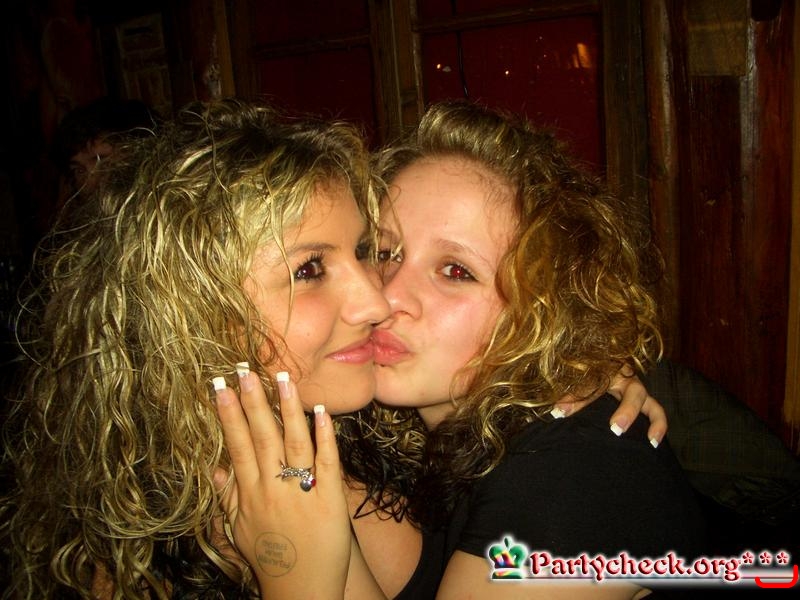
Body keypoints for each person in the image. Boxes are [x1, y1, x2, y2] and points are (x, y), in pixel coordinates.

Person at [215, 100, 706, 599]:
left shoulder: (579, 467)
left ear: (545, 311)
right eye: (383, 253)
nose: (384, 297)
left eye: (455, 271)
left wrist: (295, 580)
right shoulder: (393, 436)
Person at [0, 98, 392, 598]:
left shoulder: (322, 451)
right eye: (309, 269)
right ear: (190, 316)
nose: (377, 302)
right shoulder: (132, 565)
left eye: (363, 251)